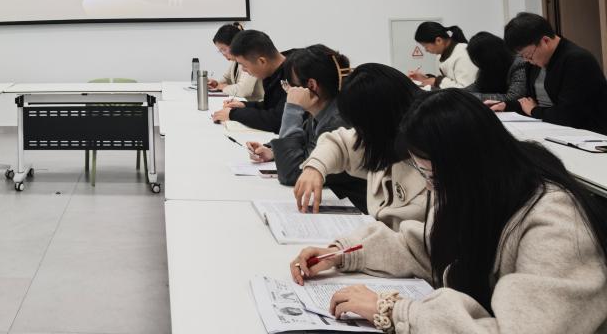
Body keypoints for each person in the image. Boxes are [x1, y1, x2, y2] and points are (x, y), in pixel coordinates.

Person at [289, 90, 607, 334]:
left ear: (466, 164)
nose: (430, 186)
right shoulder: (478, 189)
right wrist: (342, 254)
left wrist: (393, 311)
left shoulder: (555, 221)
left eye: (433, 176)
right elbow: (429, 247)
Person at [292, 63, 427, 229]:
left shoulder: (428, 158)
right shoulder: (388, 134)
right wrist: (315, 167)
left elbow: (417, 238)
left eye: (361, 127)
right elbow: (341, 142)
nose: (360, 135)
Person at [245, 45, 366, 206]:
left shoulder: (338, 121)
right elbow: (306, 145)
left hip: (352, 205)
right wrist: (273, 151)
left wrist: (292, 108)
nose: (288, 91)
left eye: (288, 85)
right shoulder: (324, 110)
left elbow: (292, 173)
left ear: (311, 85)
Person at [498, 12, 607, 133]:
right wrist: (506, 105)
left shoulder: (577, 60)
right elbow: (530, 103)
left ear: (545, 40)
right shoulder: (535, 61)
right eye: (522, 56)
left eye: (528, 55)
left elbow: (569, 115)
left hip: (589, 134)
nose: (527, 60)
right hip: (552, 127)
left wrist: (534, 111)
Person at [210, 29, 290, 132]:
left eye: (244, 65)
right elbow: (271, 106)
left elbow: (278, 120)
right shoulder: (273, 71)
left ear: (261, 61)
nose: (243, 70)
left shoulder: (294, 75)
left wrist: (233, 114)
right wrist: (244, 105)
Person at [462, 31, 528, 103]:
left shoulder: (518, 64)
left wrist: (472, 97)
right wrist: (457, 93)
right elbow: (477, 86)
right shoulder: (486, 67)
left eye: (477, 60)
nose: (477, 65)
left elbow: (514, 97)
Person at [407, 22, 478, 89]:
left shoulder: (463, 53)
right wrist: (426, 79)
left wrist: (437, 81)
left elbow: (466, 89)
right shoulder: (440, 56)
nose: (426, 50)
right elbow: (445, 81)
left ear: (439, 40)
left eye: (426, 46)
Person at [207, 22, 263, 101]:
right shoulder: (236, 60)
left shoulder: (250, 58)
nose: (223, 54)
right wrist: (216, 84)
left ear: (234, 44)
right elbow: (227, 78)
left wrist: (221, 86)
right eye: (220, 51)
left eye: (224, 49)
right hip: (244, 102)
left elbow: (244, 90)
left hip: (258, 104)